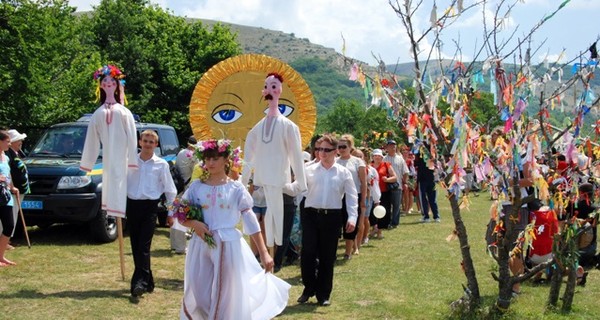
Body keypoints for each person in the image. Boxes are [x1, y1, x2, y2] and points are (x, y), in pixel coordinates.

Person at [177, 138, 290, 319]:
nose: (210, 163)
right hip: (201, 243)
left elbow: (250, 219)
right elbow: (180, 212)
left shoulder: (235, 188)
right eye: (207, 159)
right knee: (199, 290)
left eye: (215, 158)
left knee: (226, 292)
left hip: (228, 244)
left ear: (226, 160)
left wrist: (263, 252)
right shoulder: (196, 187)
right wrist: (193, 224)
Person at [242, 72, 307, 252]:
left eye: (273, 86)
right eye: (267, 86)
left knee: (276, 216)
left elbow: (296, 155)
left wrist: (300, 183)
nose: (269, 90)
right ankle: (269, 251)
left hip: (279, 178)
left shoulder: (288, 126)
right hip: (263, 178)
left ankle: (274, 250)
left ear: (279, 90)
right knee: (269, 216)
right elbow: (249, 155)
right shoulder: (257, 128)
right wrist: (243, 180)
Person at [298, 134, 358, 306]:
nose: (321, 153)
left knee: (327, 256)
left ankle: (323, 294)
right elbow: (297, 188)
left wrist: (352, 217)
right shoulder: (308, 169)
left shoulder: (343, 172)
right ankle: (309, 288)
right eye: (319, 149)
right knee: (308, 253)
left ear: (335, 152)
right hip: (310, 214)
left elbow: (352, 197)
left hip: (332, 216)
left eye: (326, 150)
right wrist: (279, 185)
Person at [80, 65, 138, 218]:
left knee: (122, 183)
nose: (108, 83)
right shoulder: (98, 114)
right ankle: (114, 213)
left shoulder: (124, 112)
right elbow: (91, 139)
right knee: (110, 182)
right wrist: (88, 163)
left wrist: (133, 160)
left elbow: (132, 137)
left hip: (123, 158)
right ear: (100, 85)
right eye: (104, 80)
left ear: (117, 84)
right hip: (108, 158)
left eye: (111, 80)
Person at [126, 130, 177, 297]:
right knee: (135, 245)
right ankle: (148, 281)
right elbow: (120, 182)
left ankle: (138, 283)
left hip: (150, 207)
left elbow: (170, 190)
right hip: (132, 205)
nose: (148, 144)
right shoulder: (130, 162)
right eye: (145, 140)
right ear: (140, 142)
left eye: (151, 141)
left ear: (156, 145)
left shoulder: (161, 164)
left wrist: (171, 211)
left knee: (144, 245)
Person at [336, 134, 366, 258]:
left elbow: (363, 182)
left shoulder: (357, 162)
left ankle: (348, 252)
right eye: (339, 147)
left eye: (344, 146)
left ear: (350, 147)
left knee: (350, 224)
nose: (341, 149)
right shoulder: (334, 161)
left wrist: (363, 200)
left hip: (353, 196)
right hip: (337, 197)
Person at [168, 136, 198, 255]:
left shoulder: (180, 152)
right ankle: (180, 247)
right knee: (182, 217)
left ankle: (174, 245)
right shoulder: (192, 155)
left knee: (175, 216)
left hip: (178, 188)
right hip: (186, 189)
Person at [1, 130, 30, 248]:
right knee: (7, 219)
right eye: (18, 140)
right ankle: (4, 242)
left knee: (11, 219)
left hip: (13, 190)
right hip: (4, 192)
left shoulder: (11, 155)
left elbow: (9, 174)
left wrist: (13, 186)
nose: (21, 142)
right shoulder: (8, 155)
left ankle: (5, 244)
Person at [0, 130, 19, 267]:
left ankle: (1, 257)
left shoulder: (5, 156)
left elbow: (8, 174)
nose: (9, 143)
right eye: (7, 141)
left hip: (5, 195)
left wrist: (12, 187)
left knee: (9, 226)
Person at [369, 148, 397, 239]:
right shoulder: (369, 166)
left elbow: (395, 177)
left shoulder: (386, 165)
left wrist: (387, 179)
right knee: (371, 212)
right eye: (375, 156)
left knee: (381, 212)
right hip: (371, 193)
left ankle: (380, 231)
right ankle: (374, 228)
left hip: (384, 192)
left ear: (382, 157)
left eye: (379, 156)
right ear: (372, 157)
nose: (377, 157)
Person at [384, 140, 409, 228]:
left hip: (397, 185)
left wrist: (405, 182)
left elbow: (405, 171)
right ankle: (387, 222)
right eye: (390, 146)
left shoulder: (400, 159)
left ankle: (394, 222)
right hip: (386, 185)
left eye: (394, 146)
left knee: (396, 205)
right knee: (386, 205)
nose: (393, 147)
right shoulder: (384, 159)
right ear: (386, 148)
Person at [414, 145, 440, 223]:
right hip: (432, 178)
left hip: (423, 179)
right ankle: (436, 216)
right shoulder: (433, 153)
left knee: (423, 199)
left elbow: (416, 164)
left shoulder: (419, 153)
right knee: (432, 199)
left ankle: (426, 216)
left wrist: (417, 180)